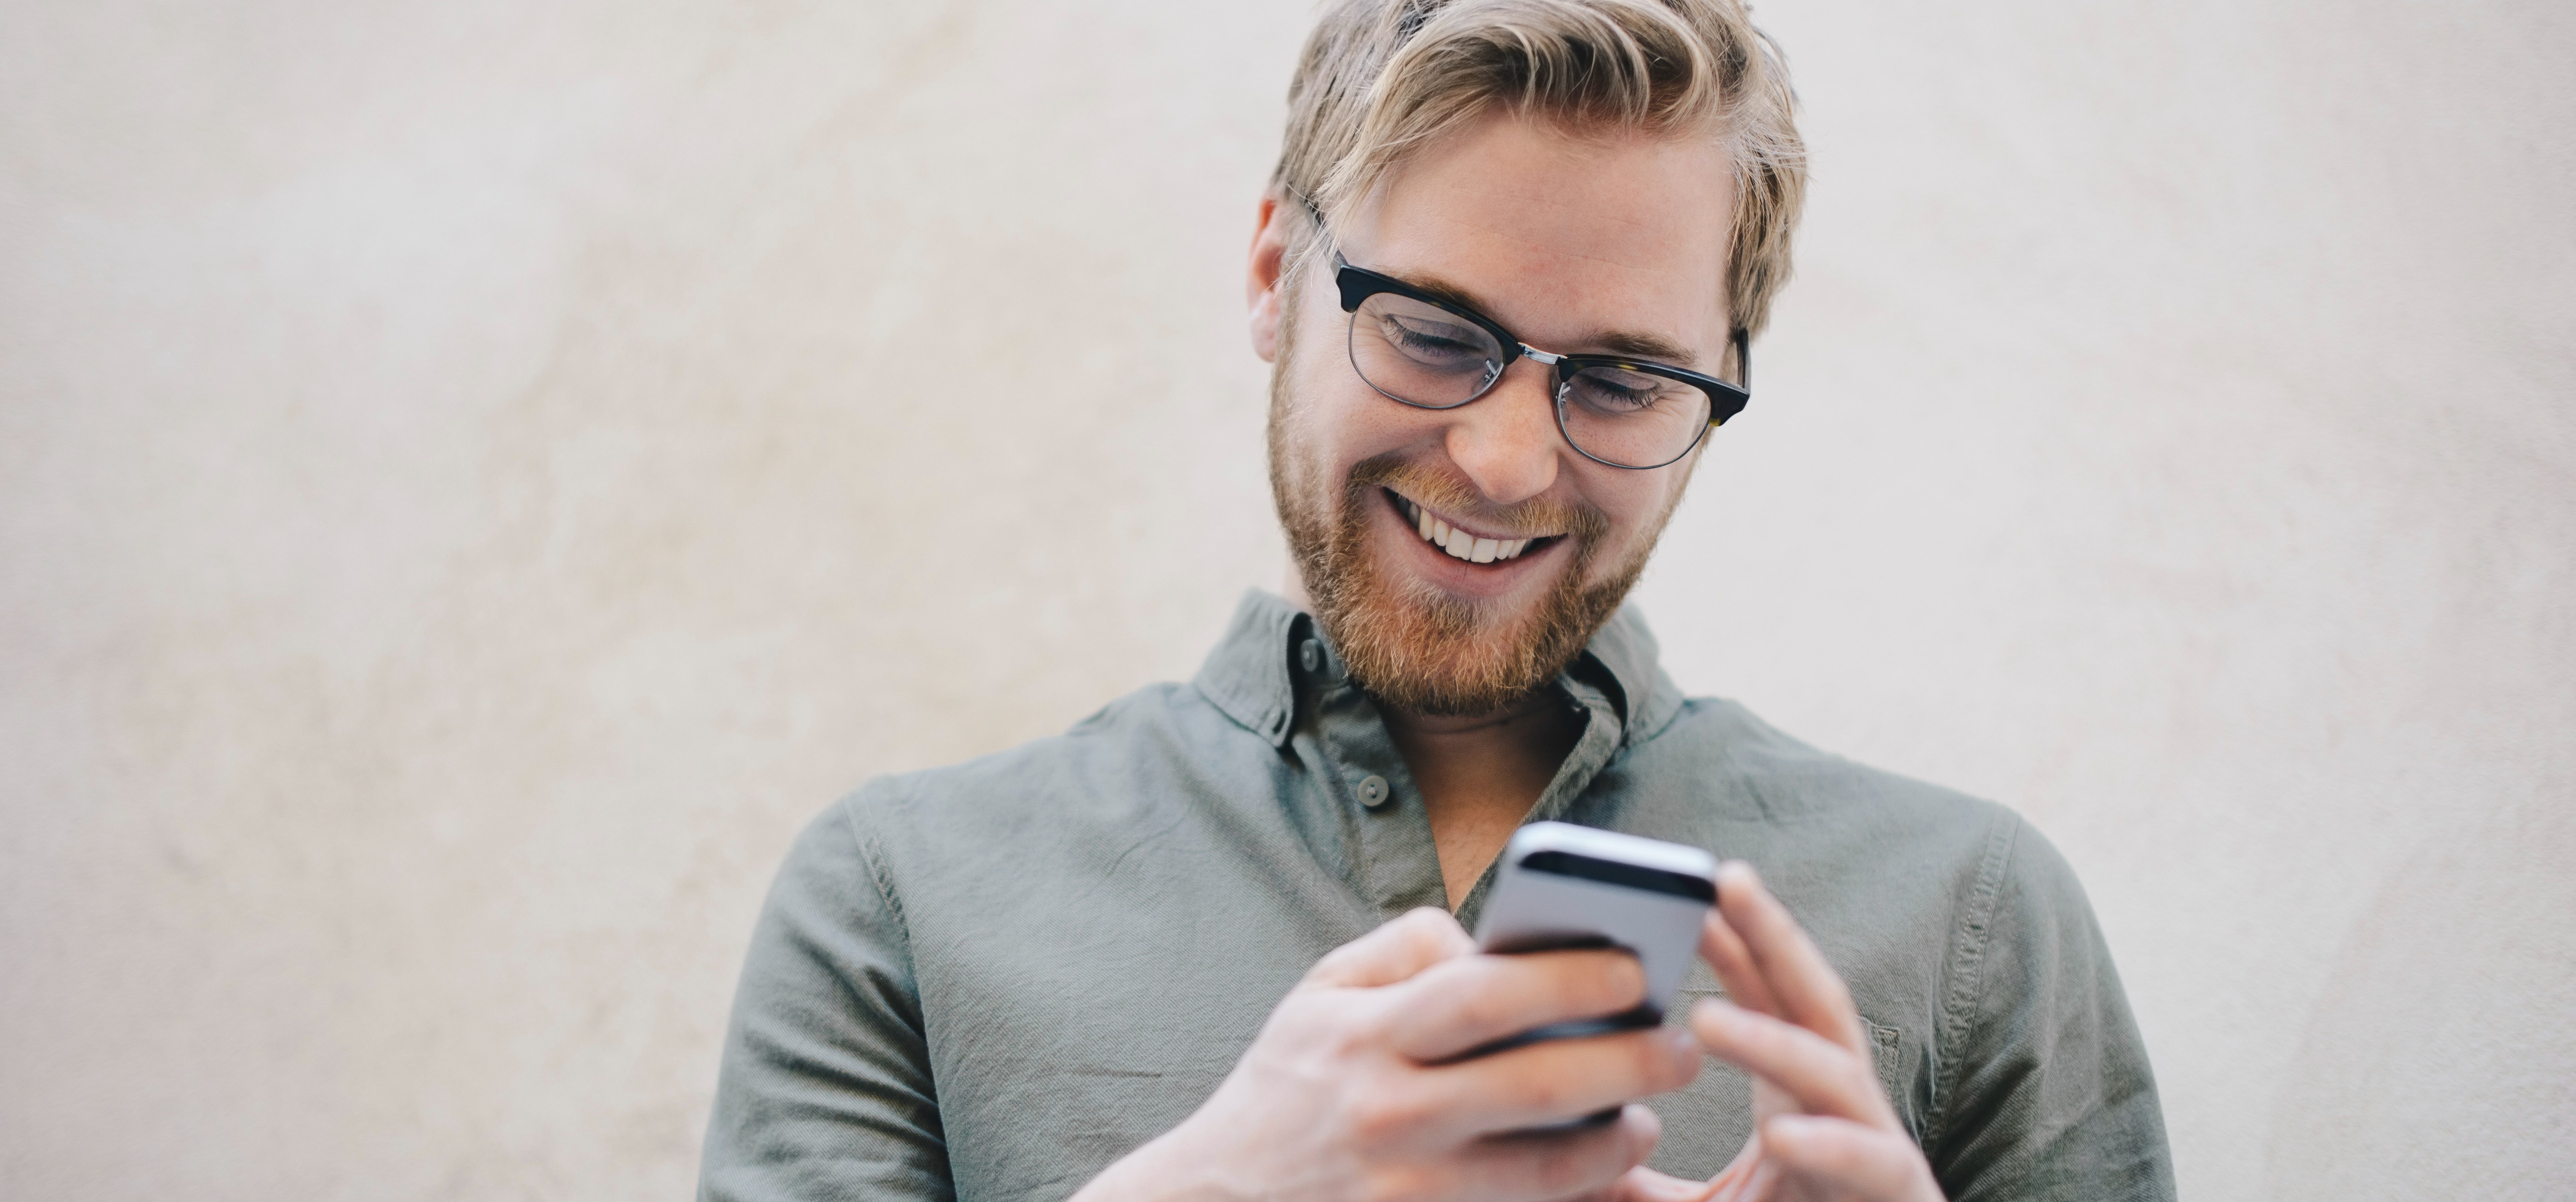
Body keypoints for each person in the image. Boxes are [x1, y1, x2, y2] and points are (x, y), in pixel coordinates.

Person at [698, 0, 2173, 1198]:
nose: (1505, 460)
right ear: (1277, 272)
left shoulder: (1976, 917)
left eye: (1621, 379)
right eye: (1430, 331)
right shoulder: (899, 898)